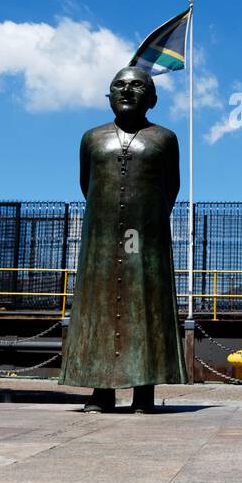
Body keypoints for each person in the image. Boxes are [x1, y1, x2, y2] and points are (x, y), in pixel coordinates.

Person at [60, 66, 185, 412]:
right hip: (100, 241)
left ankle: (144, 392)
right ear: (109, 95)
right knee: (97, 307)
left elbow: (170, 188)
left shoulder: (165, 139)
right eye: (120, 85)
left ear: (153, 99)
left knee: (147, 308)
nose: (127, 90)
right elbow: (87, 185)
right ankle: (101, 391)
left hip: (147, 241)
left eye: (137, 85)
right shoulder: (91, 138)